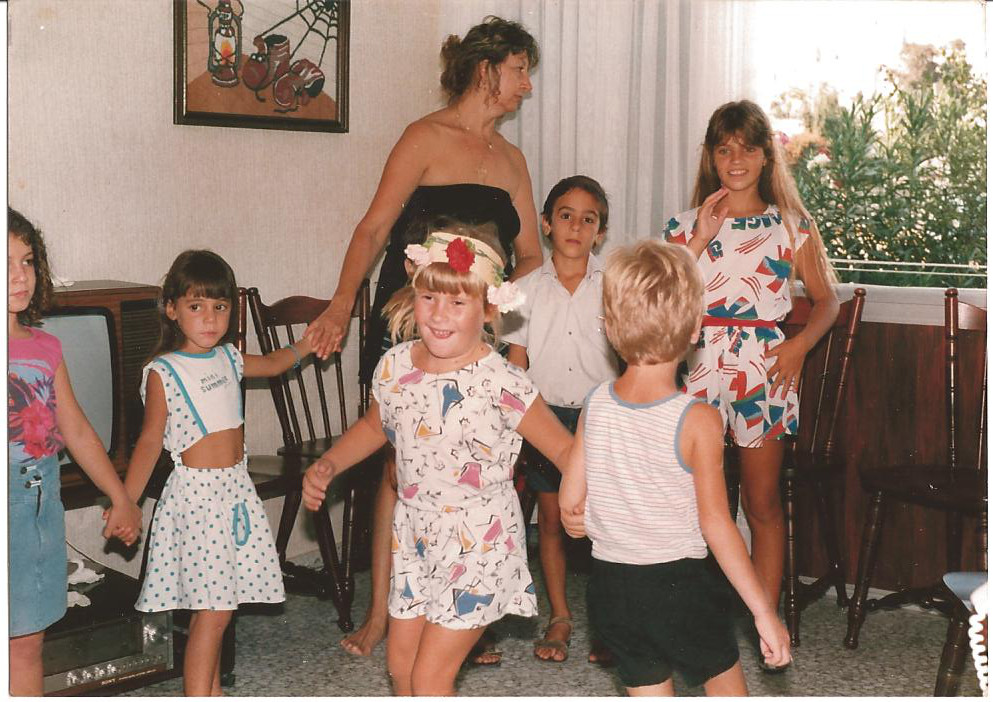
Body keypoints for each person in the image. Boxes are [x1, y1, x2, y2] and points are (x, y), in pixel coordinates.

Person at [303, 16, 543, 660]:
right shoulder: (424, 137)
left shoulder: (512, 160)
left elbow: (530, 255)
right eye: (520, 71)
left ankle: (459, 611)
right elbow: (373, 228)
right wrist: (339, 305)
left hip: (473, 328)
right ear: (486, 69)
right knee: (398, 462)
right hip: (408, 318)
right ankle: (385, 611)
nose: (526, 86)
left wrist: (494, 307)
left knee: (464, 460)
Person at [301, 223, 574, 695]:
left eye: (458, 302)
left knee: (430, 678)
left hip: (479, 541)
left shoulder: (502, 381)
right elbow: (375, 427)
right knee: (401, 668)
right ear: (414, 294)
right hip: (414, 538)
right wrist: (330, 463)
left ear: (489, 308)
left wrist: (586, 500)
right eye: (429, 297)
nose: (439, 314)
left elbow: (566, 449)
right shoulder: (396, 365)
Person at [559, 240, 792, 696]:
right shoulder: (699, 419)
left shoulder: (595, 404)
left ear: (609, 328)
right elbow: (716, 524)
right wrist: (763, 612)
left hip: (612, 590)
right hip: (679, 588)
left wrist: (580, 519)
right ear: (695, 330)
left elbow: (571, 505)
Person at [661, 101, 839, 665]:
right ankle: (680, 615)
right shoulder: (683, 226)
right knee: (688, 500)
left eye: (747, 148)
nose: (735, 159)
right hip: (697, 364)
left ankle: (765, 620)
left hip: (765, 369)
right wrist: (698, 239)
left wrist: (800, 346)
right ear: (711, 158)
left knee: (761, 502)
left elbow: (828, 300)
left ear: (766, 156)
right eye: (724, 148)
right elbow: (660, 294)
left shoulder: (791, 225)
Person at [123, 250, 313, 696]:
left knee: (218, 608)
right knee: (213, 612)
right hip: (197, 501)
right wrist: (126, 501)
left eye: (220, 306)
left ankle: (212, 691)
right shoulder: (164, 371)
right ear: (172, 309)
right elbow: (149, 442)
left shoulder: (230, 358)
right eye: (196, 306)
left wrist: (310, 343)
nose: (209, 318)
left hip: (234, 493)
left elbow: (277, 363)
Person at [8, 208, 142, 696]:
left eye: (27, 261)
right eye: (4, 264)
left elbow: (79, 431)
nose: (20, 275)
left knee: (27, 640)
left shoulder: (45, 348)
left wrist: (121, 497)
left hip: (38, 508)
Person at [503, 175, 619, 663]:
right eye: (566, 216)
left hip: (601, 417)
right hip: (545, 418)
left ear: (601, 232)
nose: (576, 226)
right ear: (547, 224)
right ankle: (560, 616)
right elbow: (515, 366)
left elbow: (630, 355)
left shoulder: (614, 285)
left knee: (604, 524)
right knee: (550, 520)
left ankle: (611, 625)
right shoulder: (524, 290)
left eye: (588, 219)